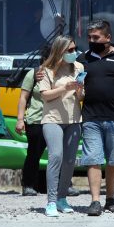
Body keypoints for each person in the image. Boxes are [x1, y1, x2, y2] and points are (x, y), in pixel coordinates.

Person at [78, 19, 114, 216]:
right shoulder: (83, 59)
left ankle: (110, 199)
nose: (92, 40)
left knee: (113, 160)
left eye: (96, 37)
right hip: (90, 117)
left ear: (108, 37)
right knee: (93, 158)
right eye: (89, 37)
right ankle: (95, 201)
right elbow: (74, 82)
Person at [37, 36, 84, 217]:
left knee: (70, 160)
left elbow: (80, 97)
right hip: (52, 119)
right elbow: (45, 95)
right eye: (70, 50)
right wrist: (65, 88)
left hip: (74, 119)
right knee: (56, 156)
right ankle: (50, 201)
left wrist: (79, 90)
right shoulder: (46, 70)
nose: (74, 53)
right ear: (60, 51)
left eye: (74, 49)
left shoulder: (79, 67)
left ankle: (62, 198)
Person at [15, 44, 51, 196]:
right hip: (36, 120)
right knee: (34, 153)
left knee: (58, 154)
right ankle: (29, 184)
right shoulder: (34, 73)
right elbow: (23, 98)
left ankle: (62, 184)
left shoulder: (63, 73)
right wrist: (20, 119)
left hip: (56, 119)